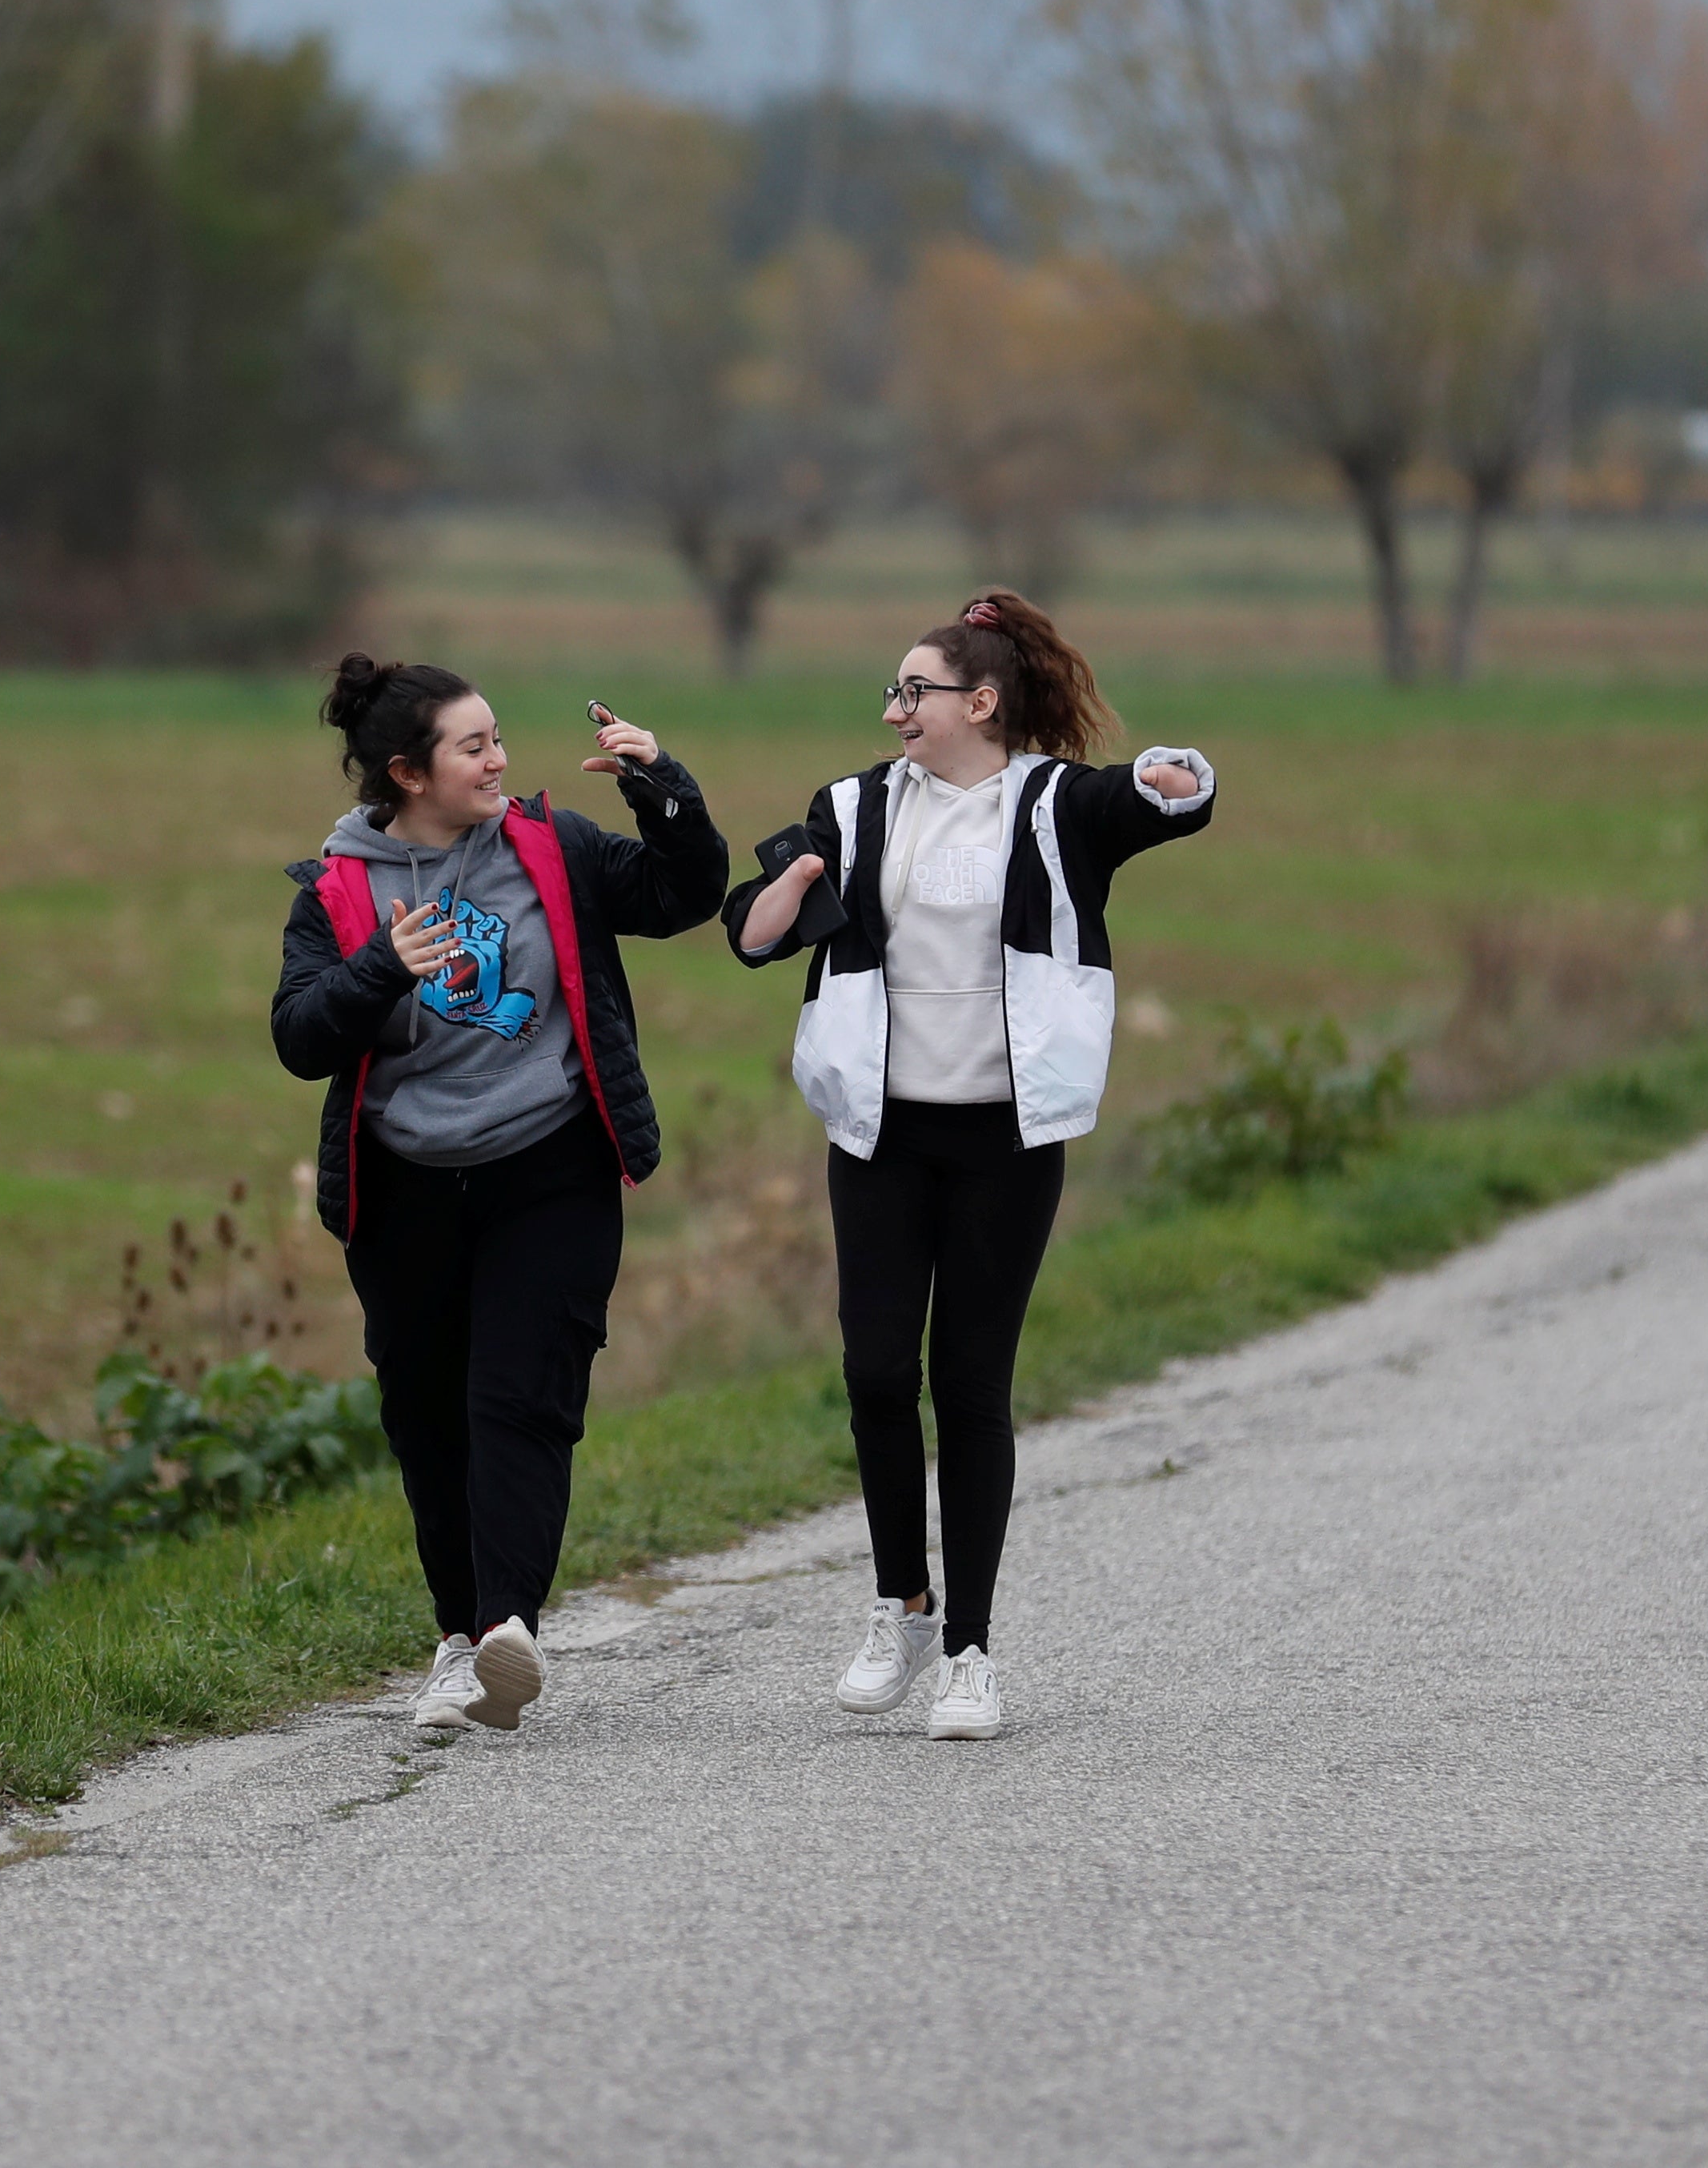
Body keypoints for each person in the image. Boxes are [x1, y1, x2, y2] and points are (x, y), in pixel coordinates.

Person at [725, 591, 1215, 1740]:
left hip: (1005, 1139)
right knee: (877, 1374)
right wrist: (781, 896)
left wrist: (1174, 776)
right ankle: (901, 1606)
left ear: (979, 703)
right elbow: (757, 932)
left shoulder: (1055, 805)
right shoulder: (849, 806)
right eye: (894, 693)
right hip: (883, 1135)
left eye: (915, 691)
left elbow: (1157, 795)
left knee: (972, 1387)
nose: (895, 709)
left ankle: (969, 1654)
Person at [274, 658, 729, 1732]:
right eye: (472, 747)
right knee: (429, 1419)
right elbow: (299, 1038)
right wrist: (383, 968)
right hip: (406, 1191)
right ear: (407, 773)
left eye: (497, 738)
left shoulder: (550, 849)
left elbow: (683, 895)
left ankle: (504, 1628)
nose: (499, 759)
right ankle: (455, 1637)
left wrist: (663, 787)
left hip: (550, 1167)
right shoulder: (337, 890)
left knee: (521, 1396)